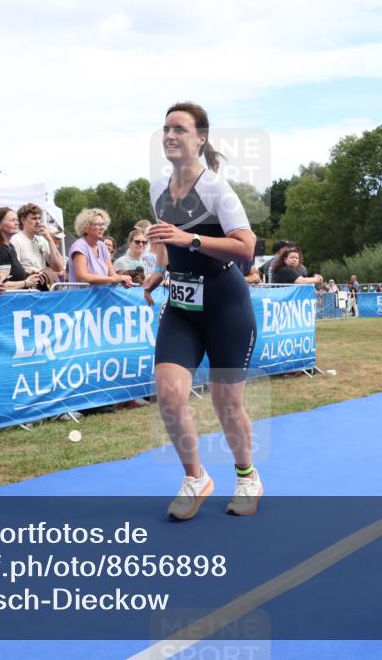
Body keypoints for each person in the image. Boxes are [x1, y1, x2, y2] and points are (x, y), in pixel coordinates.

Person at [142, 101, 261, 520]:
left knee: (227, 405)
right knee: (170, 394)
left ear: (201, 138)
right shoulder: (157, 188)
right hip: (182, 305)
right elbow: (164, 239)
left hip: (226, 304)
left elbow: (247, 248)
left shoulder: (216, 190)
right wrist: (162, 269)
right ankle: (196, 477)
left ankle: (247, 477)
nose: (171, 136)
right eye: (166, 129)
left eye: (180, 129)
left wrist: (189, 240)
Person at [0, 207, 41, 289]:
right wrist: (26, 283)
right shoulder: (0, 250)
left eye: (17, 220)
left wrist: (29, 274)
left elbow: (12, 275)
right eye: (12, 220)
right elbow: (0, 285)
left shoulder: (10, 247)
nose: (17, 223)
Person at [68, 208, 134, 286]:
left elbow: (112, 275)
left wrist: (123, 279)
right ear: (86, 228)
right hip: (83, 296)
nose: (102, 228)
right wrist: (113, 279)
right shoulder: (79, 246)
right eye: (97, 224)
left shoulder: (102, 246)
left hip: (101, 295)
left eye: (103, 224)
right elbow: (82, 277)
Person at [11, 203, 65, 290]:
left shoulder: (42, 240)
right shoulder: (15, 240)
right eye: (34, 218)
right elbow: (15, 271)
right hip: (26, 290)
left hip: (42, 288)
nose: (38, 222)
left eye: (39, 218)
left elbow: (58, 267)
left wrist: (50, 240)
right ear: (23, 220)